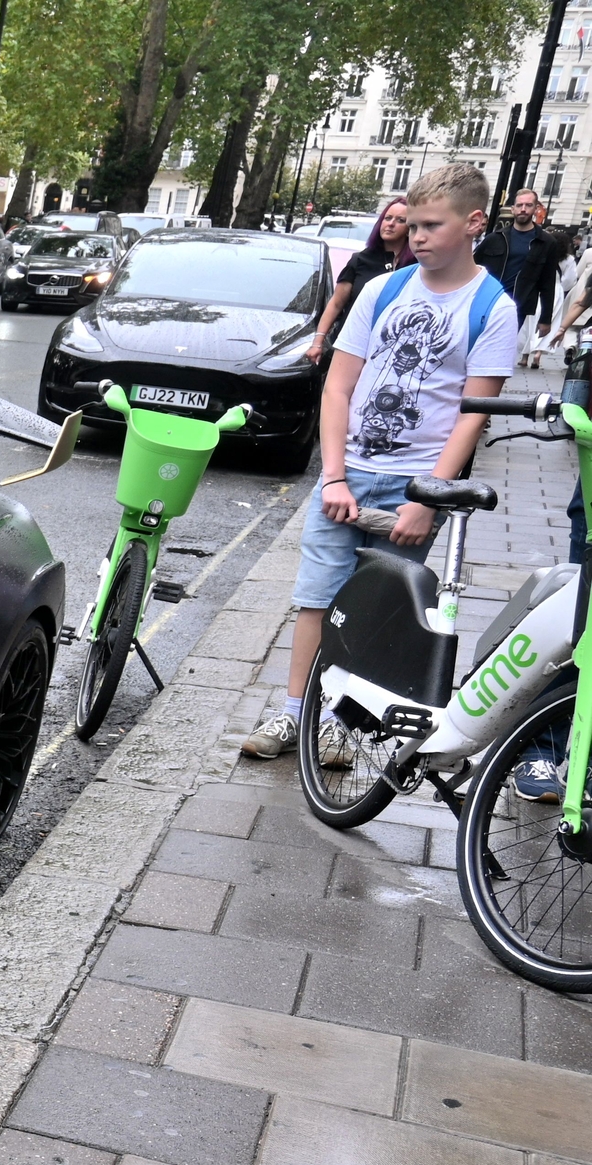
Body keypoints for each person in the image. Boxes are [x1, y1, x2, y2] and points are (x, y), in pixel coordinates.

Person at [244, 163, 516, 762]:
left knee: (379, 611)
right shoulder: (382, 290)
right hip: (350, 474)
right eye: (410, 225)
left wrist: (428, 497)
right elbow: (338, 387)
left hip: (416, 484)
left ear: (474, 223)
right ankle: (294, 714)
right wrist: (334, 474)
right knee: (317, 599)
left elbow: (475, 411)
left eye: (430, 225)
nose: (415, 236)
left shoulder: (493, 307)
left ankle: (340, 723)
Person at [306, 198, 408, 361]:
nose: (390, 224)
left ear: (411, 228)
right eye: (387, 218)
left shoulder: (416, 266)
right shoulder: (360, 260)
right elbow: (336, 303)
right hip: (351, 346)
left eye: (400, 220)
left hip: (390, 352)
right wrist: (318, 342)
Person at [474, 187, 562, 369]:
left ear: (536, 209)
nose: (523, 209)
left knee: (500, 350)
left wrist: (546, 318)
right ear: (513, 208)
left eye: (528, 205)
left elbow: (547, 282)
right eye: (519, 205)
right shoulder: (495, 238)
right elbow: (472, 267)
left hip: (518, 306)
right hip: (488, 301)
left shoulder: (546, 243)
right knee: (476, 343)